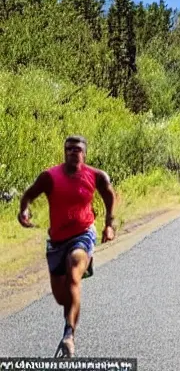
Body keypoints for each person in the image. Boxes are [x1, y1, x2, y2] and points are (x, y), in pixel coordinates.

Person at [17, 135, 117, 358]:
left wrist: (109, 224)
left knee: (74, 270)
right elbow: (29, 195)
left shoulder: (96, 175)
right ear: (64, 152)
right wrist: (23, 211)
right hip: (57, 240)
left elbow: (109, 195)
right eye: (69, 149)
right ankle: (69, 321)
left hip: (83, 234)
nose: (73, 152)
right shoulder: (49, 177)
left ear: (85, 153)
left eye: (77, 149)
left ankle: (69, 336)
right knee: (62, 298)